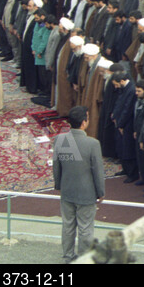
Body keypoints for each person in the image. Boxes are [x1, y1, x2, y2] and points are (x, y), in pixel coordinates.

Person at [53, 106, 105, 263]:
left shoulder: (60, 139)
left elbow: (57, 166)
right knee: (85, 228)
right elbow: (98, 171)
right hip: (86, 193)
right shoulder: (92, 144)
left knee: (67, 226)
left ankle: (68, 256)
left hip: (67, 190)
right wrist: (100, 191)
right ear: (84, 122)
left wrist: (59, 186)